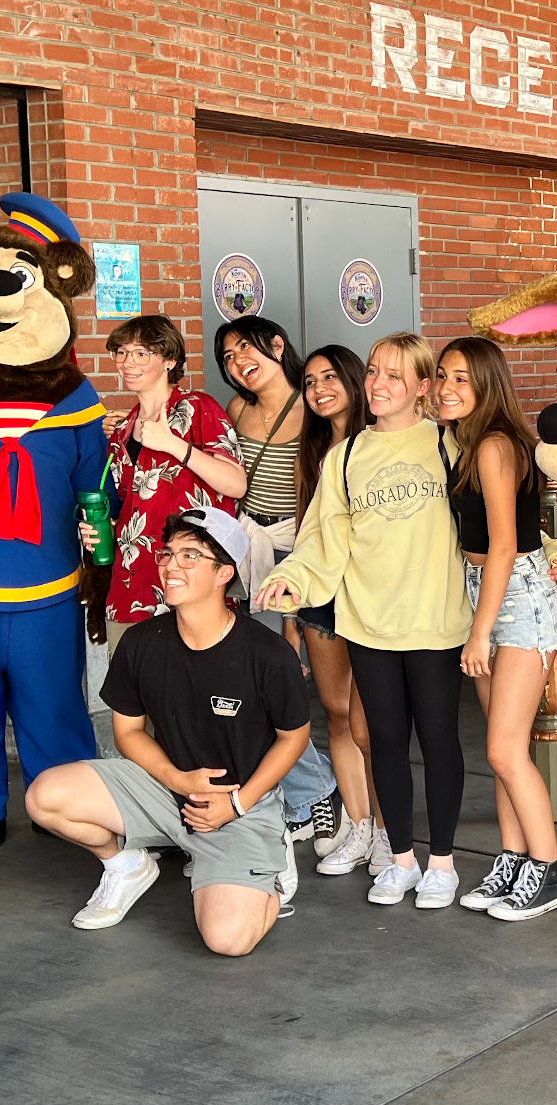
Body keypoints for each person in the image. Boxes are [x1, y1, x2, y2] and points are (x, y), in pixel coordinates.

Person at [25, 508, 308, 955]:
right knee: (45, 796)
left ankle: (269, 861)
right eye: (168, 553)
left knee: (228, 941)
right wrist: (177, 780)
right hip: (165, 789)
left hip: (238, 802)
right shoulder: (141, 643)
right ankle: (125, 866)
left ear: (224, 574)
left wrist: (237, 803)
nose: (171, 566)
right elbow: (129, 733)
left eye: (191, 556)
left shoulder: (266, 654)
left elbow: (294, 737)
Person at [256, 332, 474, 910]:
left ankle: (443, 865)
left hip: (436, 623)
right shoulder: (346, 455)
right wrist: (293, 580)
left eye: (395, 376)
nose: (377, 383)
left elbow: (492, 520)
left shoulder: (449, 445)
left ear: (424, 388)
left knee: (439, 740)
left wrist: (547, 551)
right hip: (368, 624)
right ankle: (400, 859)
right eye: (374, 371)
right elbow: (322, 540)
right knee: (383, 741)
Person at [431, 338, 557, 921]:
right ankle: (513, 860)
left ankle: (548, 870)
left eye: (462, 379)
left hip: (517, 600)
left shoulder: (493, 445)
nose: (445, 389)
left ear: (489, 385)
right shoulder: (467, 443)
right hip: (487, 594)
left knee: (505, 746)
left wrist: (479, 631)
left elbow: (507, 545)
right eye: (441, 377)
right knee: (503, 747)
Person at [213, 315, 340, 854]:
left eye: (246, 348)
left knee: (273, 682)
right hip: (245, 549)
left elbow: (319, 504)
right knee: (250, 682)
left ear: (277, 345)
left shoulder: (311, 410)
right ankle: (312, 787)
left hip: (296, 555)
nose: (239, 361)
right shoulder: (236, 410)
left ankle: (317, 789)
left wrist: (291, 614)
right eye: (227, 357)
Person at [288, 344, 391, 876]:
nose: (319, 388)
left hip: (371, 593)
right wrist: (291, 614)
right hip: (321, 597)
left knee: (369, 718)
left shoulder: (382, 442)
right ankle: (358, 823)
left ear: (355, 381)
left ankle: (386, 828)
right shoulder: (312, 448)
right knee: (335, 710)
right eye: (309, 381)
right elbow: (307, 535)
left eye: (330, 377)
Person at [88, 316, 245, 650]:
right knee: (129, 693)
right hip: (132, 587)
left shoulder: (198, 407)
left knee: (190, 694)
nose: (127, 362)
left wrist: (172, 443)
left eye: (141, 353)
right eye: (122, 352)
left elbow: (235, 483)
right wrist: (102, 529)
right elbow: (133, 506)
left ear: (169, 360)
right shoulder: (121, 431)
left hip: (192, 585)